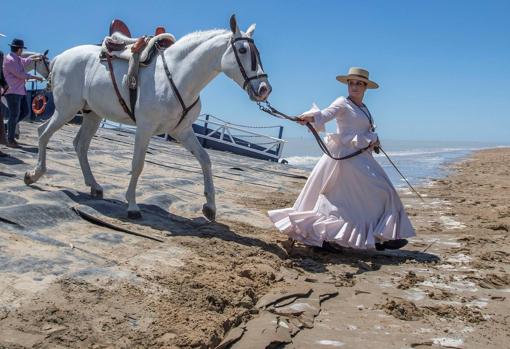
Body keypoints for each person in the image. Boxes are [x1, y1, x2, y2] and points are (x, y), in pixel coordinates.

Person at [268, 67, 415, 251]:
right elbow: (327, 114)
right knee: (371, 191)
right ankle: (329, 237)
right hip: (343, 157)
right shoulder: (342, 102)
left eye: (359, 83)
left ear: (365, 87)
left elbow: (364, 131)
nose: (354, 86)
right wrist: (310, 117)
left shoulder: (364, 109)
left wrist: (373, 141)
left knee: (361, 197)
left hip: (360, 156)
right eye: (351, 83)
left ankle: (380, 237)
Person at [2, 38, 43, 148]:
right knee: (14, 114)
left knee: (24, 112)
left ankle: (8, 126)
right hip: (12, 91)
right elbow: (20, 74)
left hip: (20, 91)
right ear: (19, 49)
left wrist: (35, 58)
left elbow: (25, 61)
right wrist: (35, 77)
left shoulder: (17, 58)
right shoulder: (10, 60)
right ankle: (10, 140)